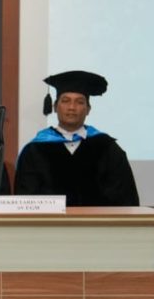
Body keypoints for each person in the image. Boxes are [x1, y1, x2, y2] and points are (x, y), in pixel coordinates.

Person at [15, 70, 138, 205]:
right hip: (50, 225)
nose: (72, 107)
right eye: (65, 101)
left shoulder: (107, 148)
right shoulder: (34, 150)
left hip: (98, 224)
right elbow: (24, 200)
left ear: (88, 109)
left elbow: (125, 198)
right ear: (55, 107)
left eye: (79, 102)